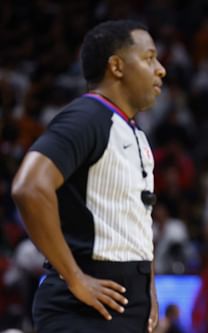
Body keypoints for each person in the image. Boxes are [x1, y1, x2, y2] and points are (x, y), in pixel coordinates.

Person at [10, 20, 166, 332]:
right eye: (149, 58)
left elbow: (136, 220)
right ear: (117, 66)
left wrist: (147, 287)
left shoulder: (132, 129)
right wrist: (75, 277)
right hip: (83, 309)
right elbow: (29, 188)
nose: (160, 69)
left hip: (123, 304)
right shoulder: (87, 117)